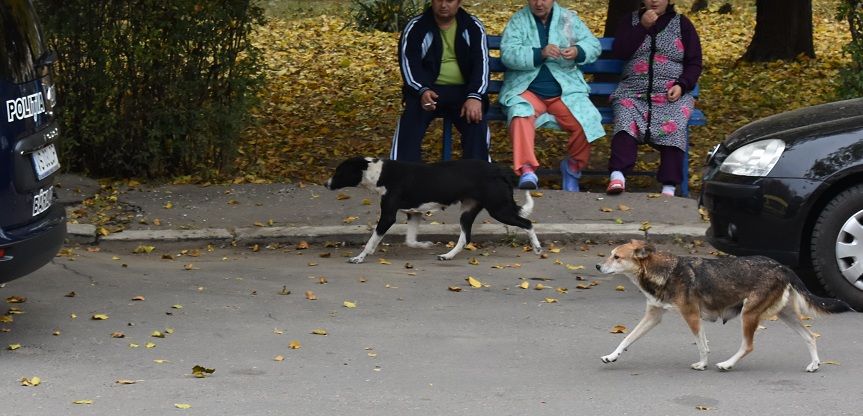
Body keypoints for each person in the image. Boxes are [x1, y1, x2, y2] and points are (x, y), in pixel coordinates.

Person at [499, 0, 605, 191]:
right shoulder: (518, 20)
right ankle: (527, 169)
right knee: (519, 113)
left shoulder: (569, 18)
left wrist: (577, 51)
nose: (539, 3)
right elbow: (508, 54)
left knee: (587, 119)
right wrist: (540, 53)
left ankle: (573, 167)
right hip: (527, 90)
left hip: (565, 92)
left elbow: (593, 45)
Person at [606, 0, 702, 196]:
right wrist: (642, 27)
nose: (654, 0)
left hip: (670, 93)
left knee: (675, 121)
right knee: (625, 115)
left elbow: (694, 62)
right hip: (633, 91)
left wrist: (682, 84)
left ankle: (669, 186)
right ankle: (618, 175)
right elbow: (620, 52)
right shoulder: (630, 21)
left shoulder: (682, 24)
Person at [390, 0, 490, 163]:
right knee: (411, 120)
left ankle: (477, 178)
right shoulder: (416, 26)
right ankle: (404, 176)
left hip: (463, 92)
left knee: (475, 120)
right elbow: (409, 64)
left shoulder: (472, 26)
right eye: (439, 0)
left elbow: (482, 64)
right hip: (428, 92)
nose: (444, 5)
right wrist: (421, 90)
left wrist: (475, 96)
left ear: (459, 3)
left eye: (449, 1)